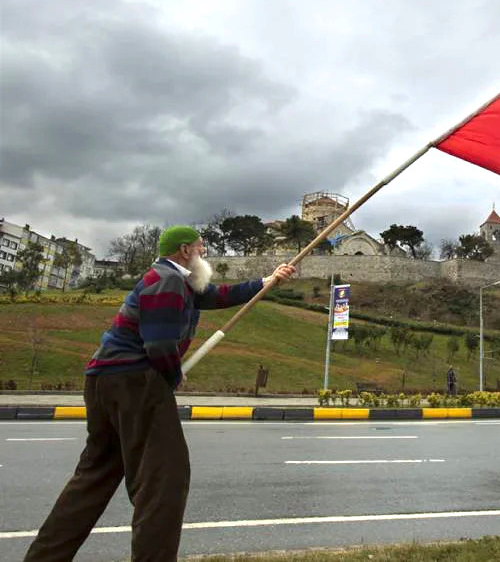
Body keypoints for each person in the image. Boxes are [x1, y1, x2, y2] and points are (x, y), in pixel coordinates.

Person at [24, 226, 296, 562]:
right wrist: (172, 374)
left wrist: (268, 281)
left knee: (94, 477)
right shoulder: (167, 281)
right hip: (134, 382)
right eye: (200, 246)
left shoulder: (177, 280)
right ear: (185, 250)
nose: (205, 252)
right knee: (164, 481)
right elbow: (159, 344)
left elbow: (218, 295)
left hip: (105, 380)